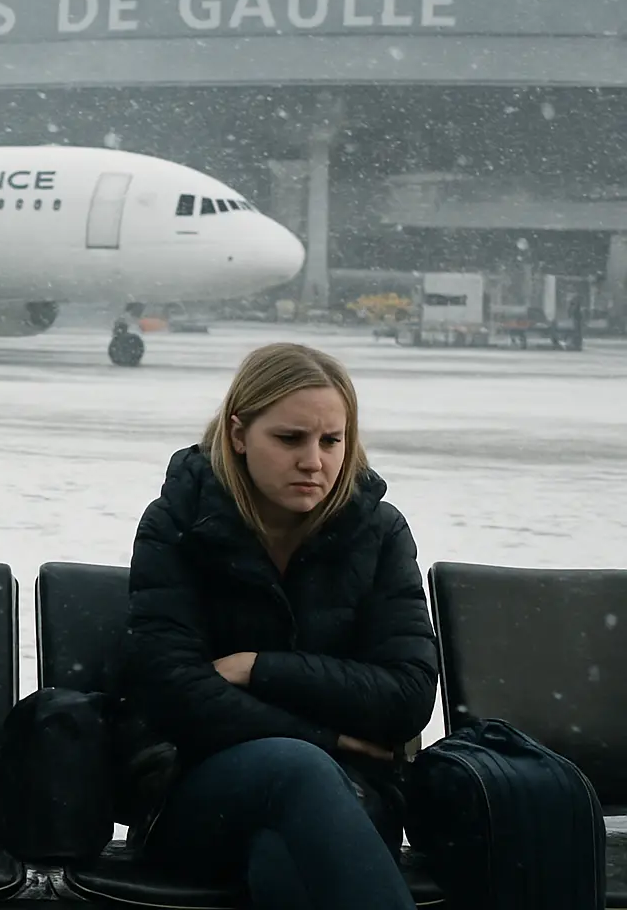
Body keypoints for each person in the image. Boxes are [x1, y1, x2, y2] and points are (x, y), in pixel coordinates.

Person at [121, 342, 439, 910]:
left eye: (331, 440)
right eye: (290, 439)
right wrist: (329, 737)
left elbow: (408, 697)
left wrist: (261, 669)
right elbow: (174, 693)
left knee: (283, 862)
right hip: (196, 792)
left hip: (356, 797)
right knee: (297, 769)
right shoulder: (179, 521)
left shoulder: (379, 531)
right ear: (239, 434)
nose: (314, 461)